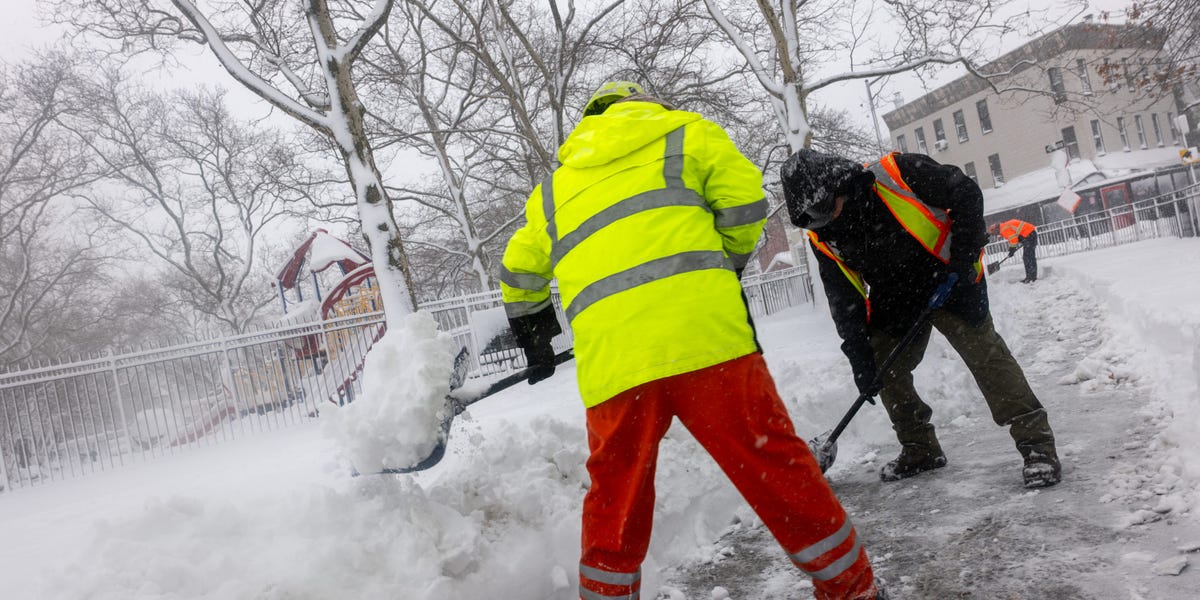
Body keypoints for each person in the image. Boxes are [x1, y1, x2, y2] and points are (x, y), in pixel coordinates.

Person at [500, 81, 884, 600]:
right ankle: (851, 589)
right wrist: (721, 266)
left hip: (616, 366)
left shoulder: (552, 190)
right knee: (776, 469)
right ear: (645, 104)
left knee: (615, 500)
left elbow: (519, 273)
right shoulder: (688, 134)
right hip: (711, 348)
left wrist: (537, 339)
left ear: (589, 122)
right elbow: (747, 207)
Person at [780, 148, 1061, 490]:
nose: (828, 223)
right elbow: (843, 297)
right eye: (815, 219)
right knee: (883, 367)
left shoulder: (897, 172)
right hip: (895, 297)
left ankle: (1037, 447)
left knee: (987, 358)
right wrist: (858, 355)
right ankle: (920, 448)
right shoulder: (823, 234)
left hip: (949, 277)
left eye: (826, 211)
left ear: (839, 185)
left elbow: (966, 193)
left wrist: (962, 259)